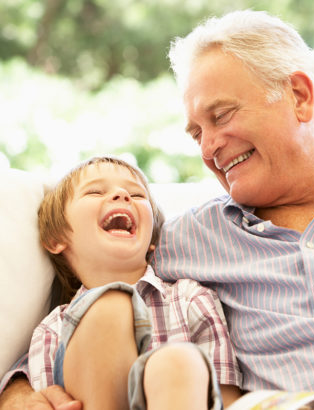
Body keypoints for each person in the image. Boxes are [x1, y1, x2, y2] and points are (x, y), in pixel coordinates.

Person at [1, 9, 314, 409]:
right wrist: (18, 394)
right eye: (197, 133)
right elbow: (93, 296)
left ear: (299, 96)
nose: (209, 148)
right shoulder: (187, 240)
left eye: (221, 115)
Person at [1, 156, 241, 409]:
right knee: (110, 305)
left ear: (153, 238)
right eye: (94, 191)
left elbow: (225, 399)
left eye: (137, 195)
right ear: (56, 238)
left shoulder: (191, 298)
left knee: (176, 362)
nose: (121, 195)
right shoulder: (52, 330)